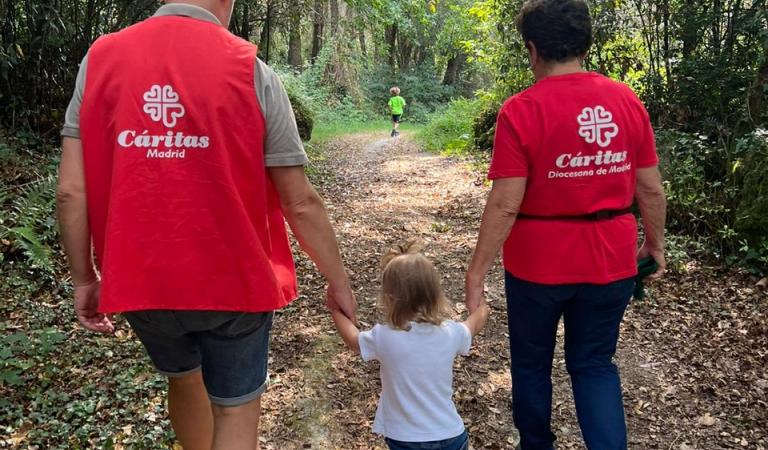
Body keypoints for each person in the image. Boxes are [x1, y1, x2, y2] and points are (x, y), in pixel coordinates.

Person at [55, 1, 357, 449]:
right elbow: (300, 201)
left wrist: (84, 279)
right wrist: (339, 280)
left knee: (184, 380)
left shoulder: (99, 60)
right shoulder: (249, 68)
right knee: (234, 407)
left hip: (142, 282)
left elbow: (69, 193)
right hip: (235, 282)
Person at [464, 1, 667, 449]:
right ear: (584, 44)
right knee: (594, 364)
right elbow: (650, 189)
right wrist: (655, 245)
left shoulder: (520, 110)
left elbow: (504, 204)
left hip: (538, 267)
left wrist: (476, 271)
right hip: (611, 261)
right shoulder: (626, 101)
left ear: (533, 50)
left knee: (531, 365)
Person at [331, 240, 489, 450]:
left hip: (405, 437)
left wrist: (336, 311)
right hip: (451, 433)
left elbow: (353, 339)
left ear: (388, 298)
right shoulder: (450, 333)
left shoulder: (385, 337)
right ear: (435, 295)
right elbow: (474, 324)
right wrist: (483, 307)